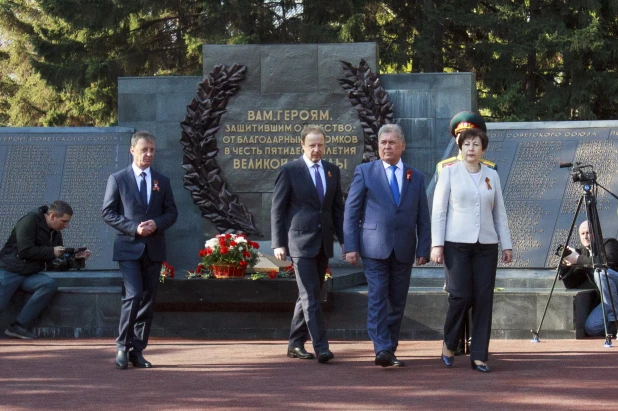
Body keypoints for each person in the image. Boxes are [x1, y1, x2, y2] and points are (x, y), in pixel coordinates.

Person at [344, 123, 431, 367]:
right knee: (378, 297)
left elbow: (423, 216)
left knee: (397, 301)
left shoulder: (416, 176)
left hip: (404, 248)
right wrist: (351, 246)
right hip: (374, 248)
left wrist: (424, 248)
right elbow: (352, 212)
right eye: (383, 143)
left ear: (402, 146)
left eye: (392, 142)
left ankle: (389, 348)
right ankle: (381, 347)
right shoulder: (365, 172)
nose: (386, 147)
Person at [431, 127, 512, 373]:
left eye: (476, 144)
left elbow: (499, 212)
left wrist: (506, 244)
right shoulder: (450, 173)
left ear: (483, 149)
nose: (471, 149)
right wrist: (437, 243)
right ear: (460, 147)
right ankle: (449, 342)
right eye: (466, 144)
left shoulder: (491, 175)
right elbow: (439, 211)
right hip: (457, 244)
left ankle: (479, 355)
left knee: (483, 299)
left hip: (486, 245)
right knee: (460, 295)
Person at [102, 131, 178, 369]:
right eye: (144, 149)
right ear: (132, 150)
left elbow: (172, 212)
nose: (148, 154)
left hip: (154, 249)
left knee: (147, 299)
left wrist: (157, 223)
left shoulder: (162, 181)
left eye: (152, 150)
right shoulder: (118, 179)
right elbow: (108, 212)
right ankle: (122, 347)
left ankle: (138, 350)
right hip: (128, 248)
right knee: (133, 294)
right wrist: (134, 228)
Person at [271, 125, 345, 364]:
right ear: (302, 145)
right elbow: (277, 209)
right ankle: (321, 347)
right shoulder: (290, 170)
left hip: (323, 243)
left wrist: (346, 242)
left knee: (308, 294)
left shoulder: (332, 171)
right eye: (312, 145)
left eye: (320, 145)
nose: (316, 149)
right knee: (311, 296)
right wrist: (278, 243)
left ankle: (294, 343)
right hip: (299, 243)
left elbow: (337, 209)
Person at [0, 200, 90, 339]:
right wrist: (52, 252)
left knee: (49, 284)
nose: (66, 226)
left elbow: (54, 263)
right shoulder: (29, 221)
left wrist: (75, 259)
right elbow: (25, 251)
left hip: (29, 274)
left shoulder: (55, 232)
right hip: (9, 271)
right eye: (64, 221)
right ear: (52, 216)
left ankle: (18, 326)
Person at [561, 220, 618, 336]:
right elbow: (572, 284)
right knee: (591, 328)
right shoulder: (583, 254)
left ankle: (614, 321)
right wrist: (565, 265)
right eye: (582, 234)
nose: (585, 236)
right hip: (610, 300)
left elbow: (608, 264)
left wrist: (578, 259)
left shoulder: (609, 243)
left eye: (588, 233)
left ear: (596, 234)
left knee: (600, 273)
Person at [435, 111, 497, 178]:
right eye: (462, 135)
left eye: (472, 137)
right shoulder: (443, 167)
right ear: (457, 139)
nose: (466, 139)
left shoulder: (490, 168)